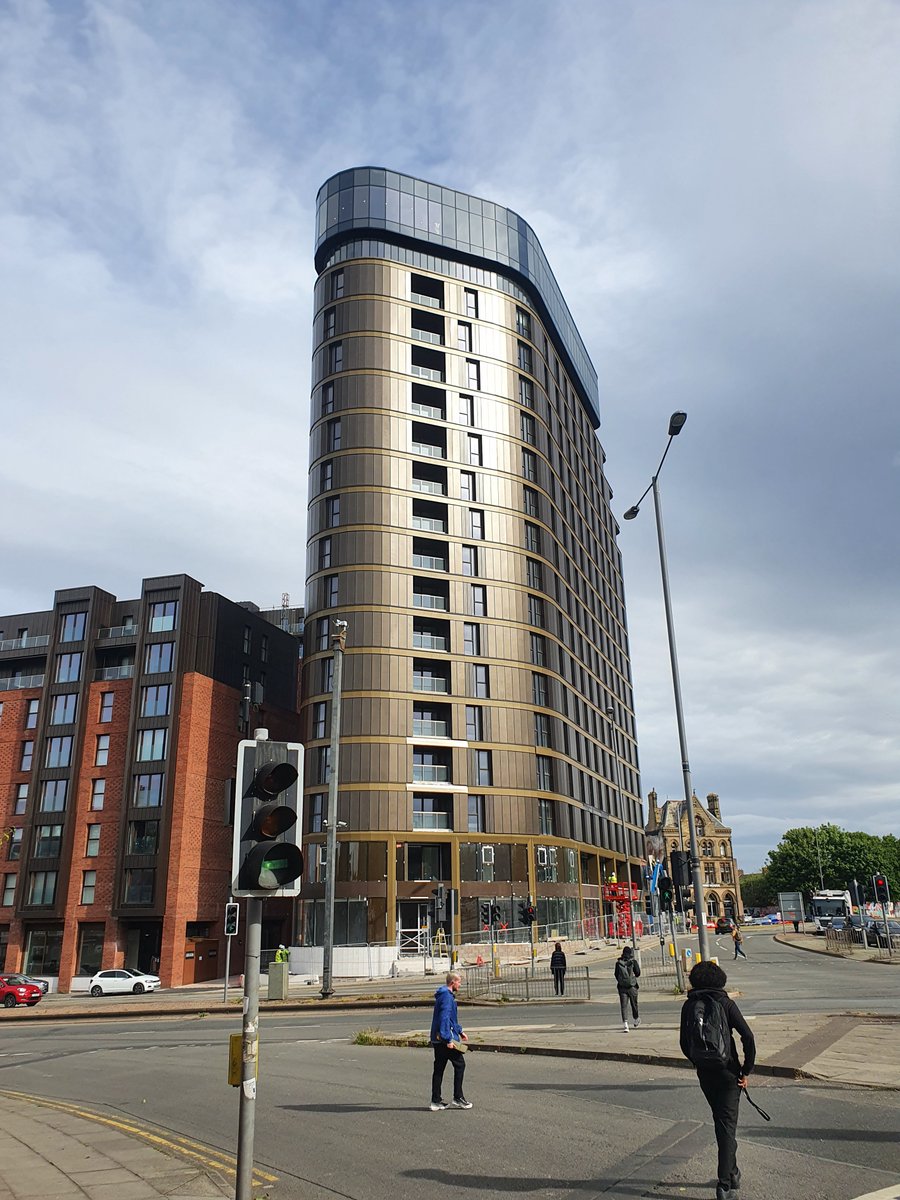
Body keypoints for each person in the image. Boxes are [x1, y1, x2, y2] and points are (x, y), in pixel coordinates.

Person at [680, 960, 756, 1200]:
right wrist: (746, 1070)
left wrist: (698, 1062)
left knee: (722, 1123)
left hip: (705, 1073)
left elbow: (684, 1042)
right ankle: (724, 1185)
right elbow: (748, 1037)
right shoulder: (726, 1003)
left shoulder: (689, 1005)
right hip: (728, 1072)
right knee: (726, 1127)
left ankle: (732, 1172)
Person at [429, 971, 471, 1111]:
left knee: (439, 1069)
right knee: (460, 1065)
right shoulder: (447, 997)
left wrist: (460, 1031)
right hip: (445, 1039)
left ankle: (435, 1100)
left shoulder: (443, 995)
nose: (460, 985)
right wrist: (448, 1039)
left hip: (437, 1038)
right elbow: (445, 1018)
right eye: (459, 982)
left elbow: (451, 1018)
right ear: (453, 982)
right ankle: (458, 1097)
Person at [614, 944, 641, 1031]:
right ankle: (636, 1019)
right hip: (632, 986)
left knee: (624, 1006)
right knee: (634, 1004)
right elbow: (638, 973)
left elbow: (616, 974)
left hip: (622, 988)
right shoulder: (633, 962)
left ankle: (625, 1024)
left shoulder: (618, 963)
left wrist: (622, 981)